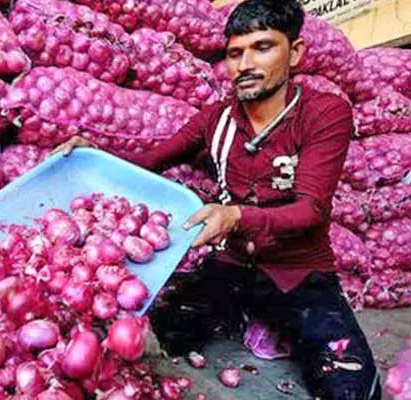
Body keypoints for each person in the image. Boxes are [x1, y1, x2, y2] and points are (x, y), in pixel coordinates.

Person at [54, 0, 381, 398]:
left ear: (294, 52)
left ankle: (270, 318)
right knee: (170, 332)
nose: (244, 64)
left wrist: (235, 216)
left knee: (350, 387)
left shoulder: (323, 112)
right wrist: (95, 152)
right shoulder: (216, 118)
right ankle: (247, 316)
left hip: (299, 271)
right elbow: (153, 159)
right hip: (232, 263)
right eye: (234, 53)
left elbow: (311, 209)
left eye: (263, 47)